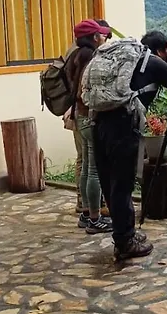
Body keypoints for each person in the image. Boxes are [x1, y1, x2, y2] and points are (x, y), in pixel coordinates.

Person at [93, 30, 167, 260]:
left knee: (111, 185)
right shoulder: (155, 63)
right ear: (162, 49)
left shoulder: (130, 61)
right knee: (122, 186)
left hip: (99, 123)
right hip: (123, 128)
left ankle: (125, 234)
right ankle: (125, 243)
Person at [67, 20, 113, 234]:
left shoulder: (76, 55)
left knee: (86, 166)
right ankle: (95, 219)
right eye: (101, 35)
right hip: (89, 116)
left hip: (79, 116)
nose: (104, 38)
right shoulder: (91, 58)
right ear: (95, 37)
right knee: (94, 169)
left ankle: (86, 214)